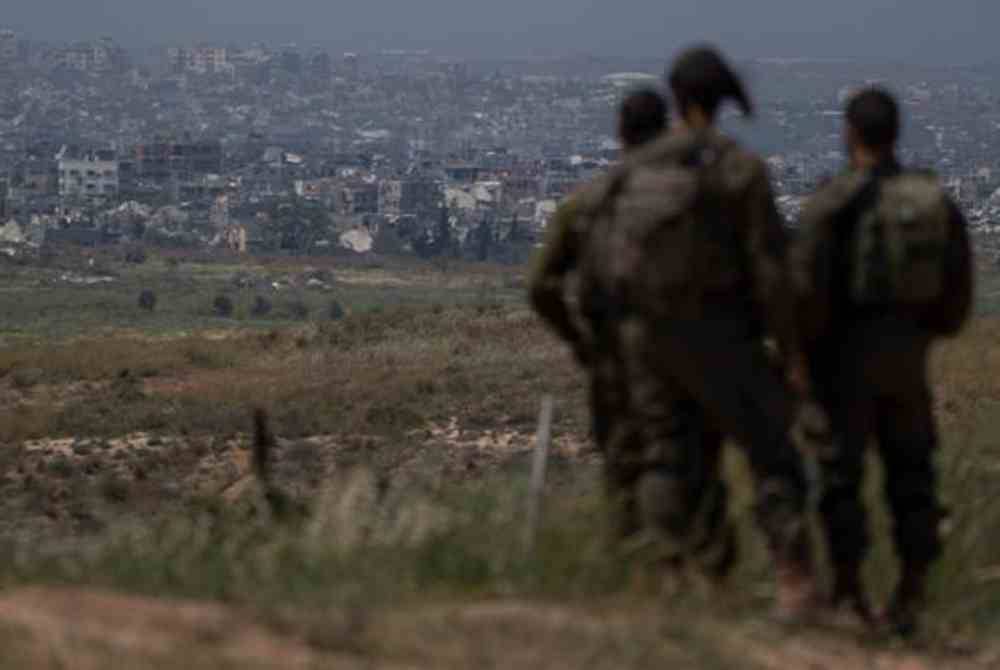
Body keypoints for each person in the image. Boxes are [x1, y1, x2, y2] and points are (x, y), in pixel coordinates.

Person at [573, 45, 817, 618]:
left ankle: (668, 578)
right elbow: (770, 272)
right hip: (722, 339)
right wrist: (792, 350)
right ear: (724, 98)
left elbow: (596, 269)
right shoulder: (735, 168)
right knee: (773, 452)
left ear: (677, 98)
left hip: (647, 343)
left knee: (667, 458)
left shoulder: (632, 171)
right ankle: (794, 578)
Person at [790, 87, 973, 635]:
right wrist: (922, 334)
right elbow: (957, 294)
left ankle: (848, 591)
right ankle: (911, 592)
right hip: (907, 358)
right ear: (896, 133)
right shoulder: (931, 200)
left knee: (840, 476)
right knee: (913, 474)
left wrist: (806, 354)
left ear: (850, 133)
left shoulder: (831, 201)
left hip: (844, 361)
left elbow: (802, 290)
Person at [530, 88, 668, 538]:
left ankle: (627, 560)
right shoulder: (697, 199)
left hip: (614, 358)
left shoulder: (589, 202)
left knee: (622, 463)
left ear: (621, 133)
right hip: (688, 355)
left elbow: (541, 286)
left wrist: (581, 341)